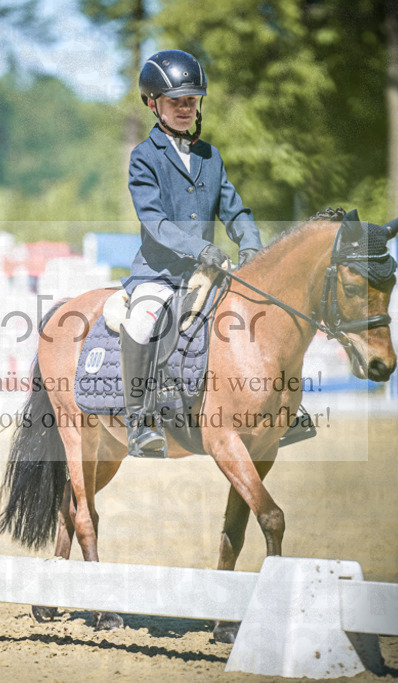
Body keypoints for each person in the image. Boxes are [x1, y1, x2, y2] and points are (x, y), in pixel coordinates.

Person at [121, 48, 263, 458]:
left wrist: (250, 243)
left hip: (210, 274)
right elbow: (156, 223)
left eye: (191, 100)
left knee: (256, 316)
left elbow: (235, 209)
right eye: (175, 101)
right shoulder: (144, 158)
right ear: (153, 104)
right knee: (141, 323)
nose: (185, 109)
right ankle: (139, 423)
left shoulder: (210, 156)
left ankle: (283, 409)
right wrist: (202, 248)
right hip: (159, 274)